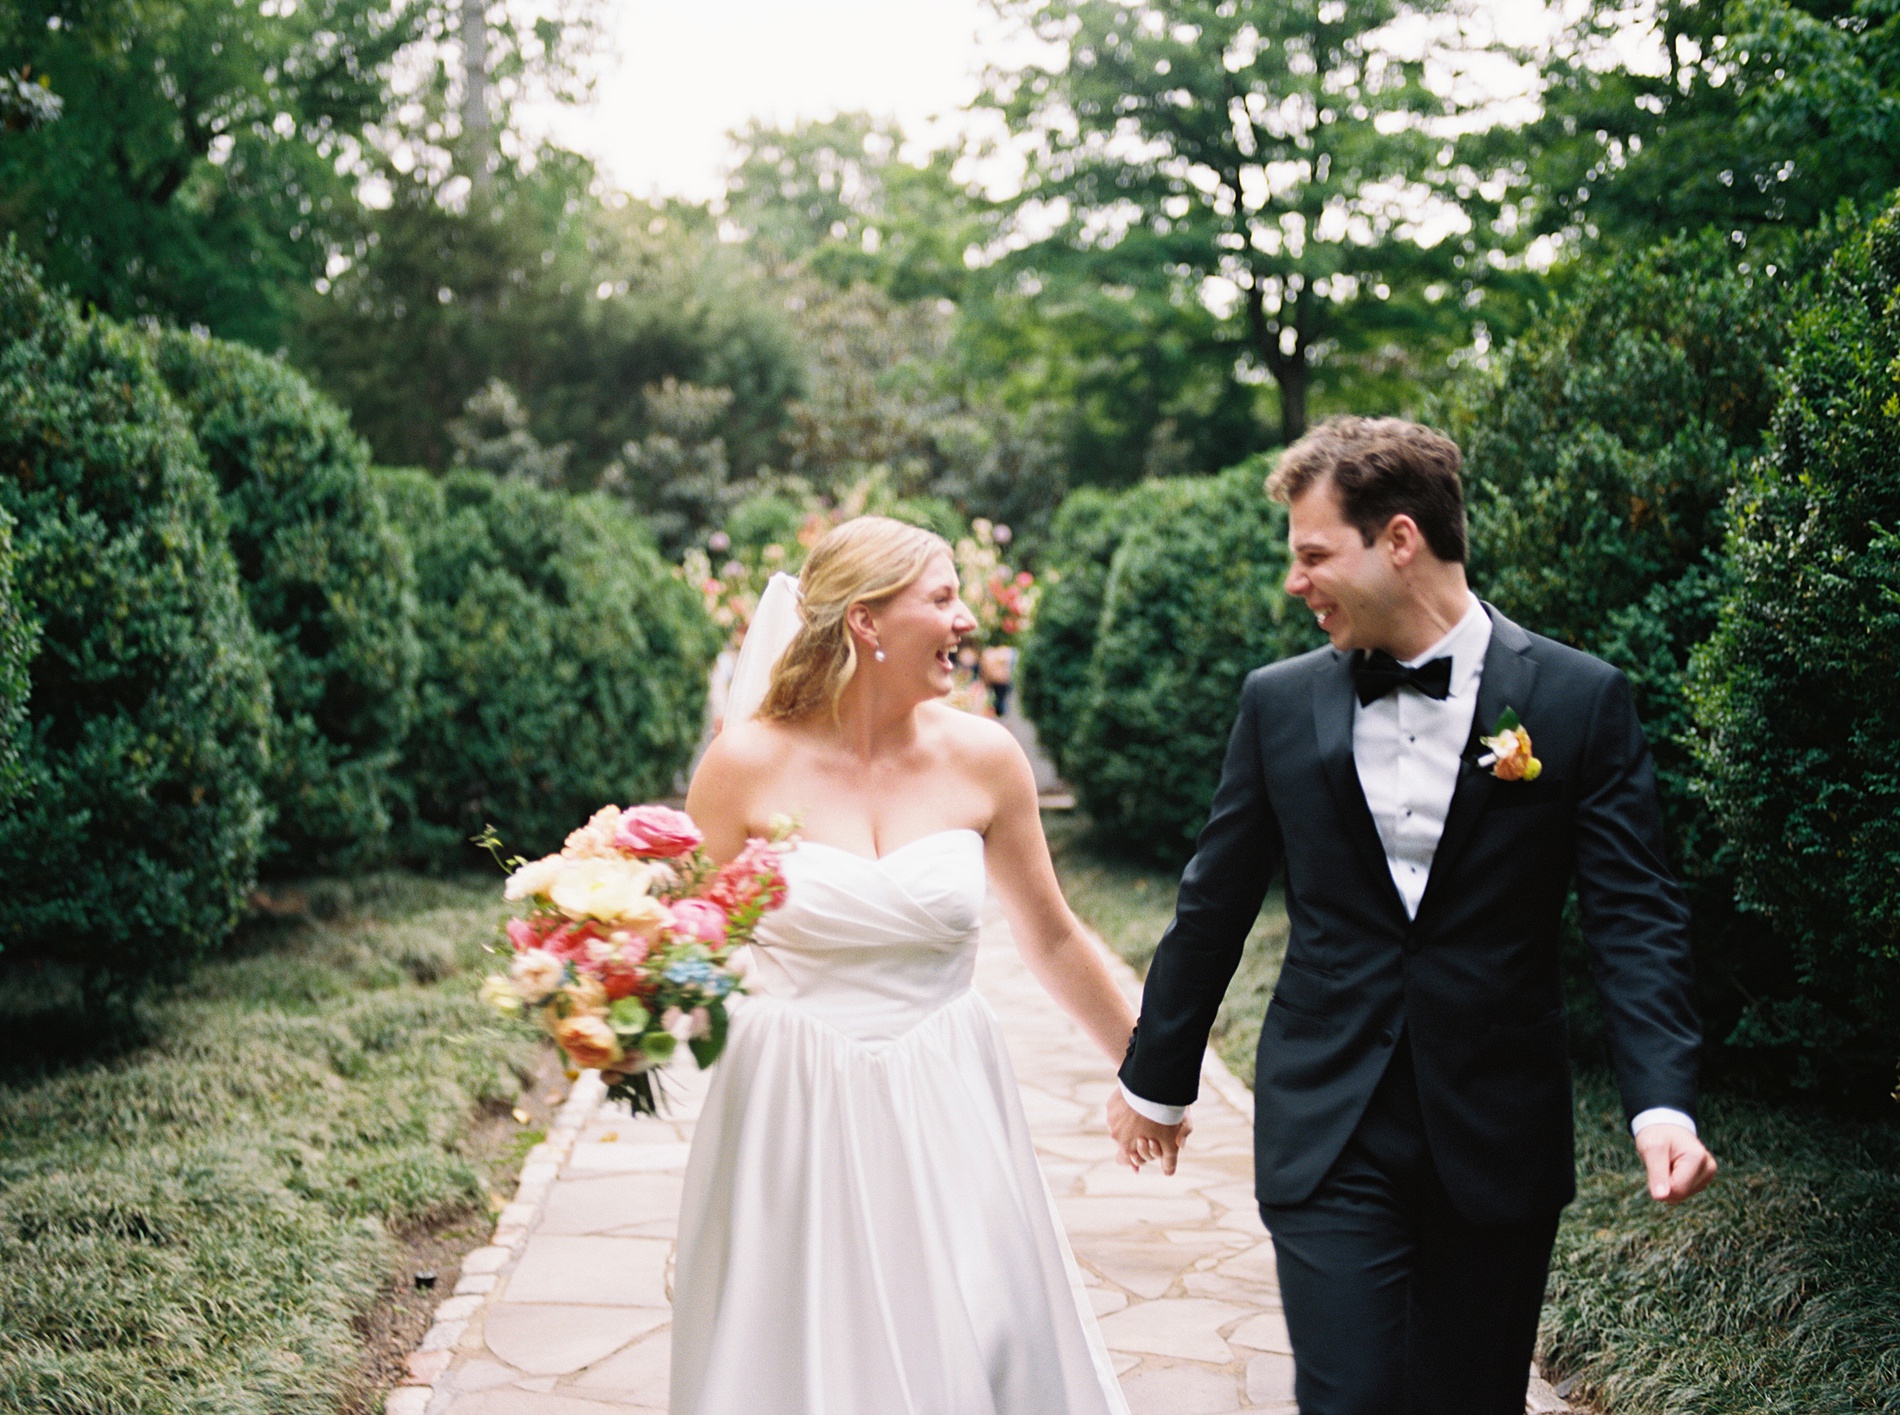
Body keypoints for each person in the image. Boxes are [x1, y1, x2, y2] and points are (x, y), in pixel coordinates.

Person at [1107, 418, 1718, 1415]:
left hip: (1495, 1125)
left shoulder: (1575, 699)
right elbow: (1213, 901)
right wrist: (1158, 1077)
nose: (1296, 582)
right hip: (1328, 1118)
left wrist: (1660, 1100)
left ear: (1398, 539)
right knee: (1350, 1396)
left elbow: (1633, 914)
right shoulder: (1277, 703)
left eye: (1313, 555)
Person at [671, 515, 1136, 1415]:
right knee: (799, 1353)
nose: (968, 620)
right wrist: (605, 975)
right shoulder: (742, 766)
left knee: (983, 1325)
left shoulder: (986, 759)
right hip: (789, 1105)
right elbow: (693, 949)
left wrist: (1146, 1070)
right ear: (866, 623)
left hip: (948, 1090)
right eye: (943, 597)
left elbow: (1049, 934)